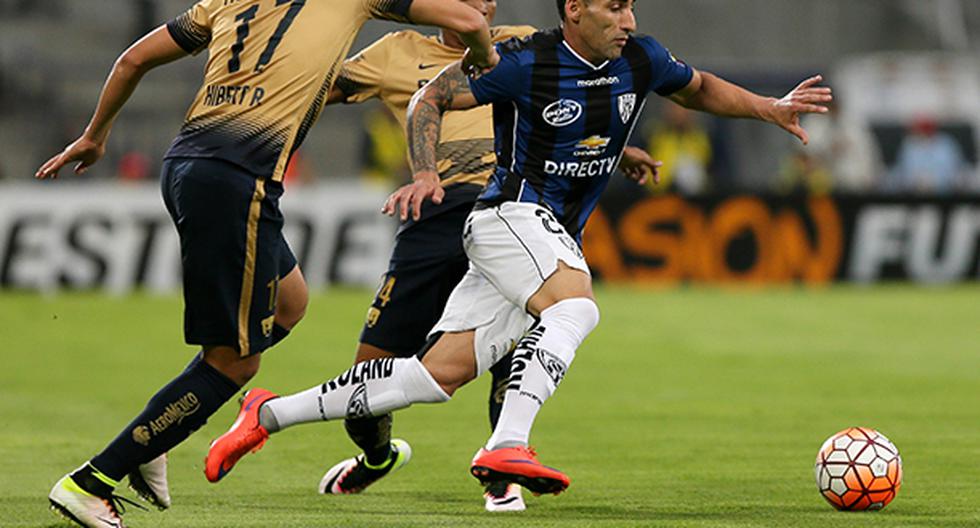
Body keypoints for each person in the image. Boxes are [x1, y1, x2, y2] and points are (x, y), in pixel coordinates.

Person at [206, 0, 830, 500]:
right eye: (616, 8)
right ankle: (507, 445)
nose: (630, 21)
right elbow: (430, 100)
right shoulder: (523, 57)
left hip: (537, 229)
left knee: (433, 376)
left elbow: (697, 89)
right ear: (576, 9)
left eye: (632, 8)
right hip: (508, 214)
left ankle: (268, 414)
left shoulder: (641, 57)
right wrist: (425, 172)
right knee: (576, 308)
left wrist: (768, 108)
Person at [36, 0, 497, 526]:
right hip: (237, 180)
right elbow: (470, 22)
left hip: (186, 163)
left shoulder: (225, 1)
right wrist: (483, 63)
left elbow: (131, 60)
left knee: (291, 302)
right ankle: (90, 482)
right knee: (235, 364)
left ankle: (153, 436)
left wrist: (96, 136)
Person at [317, 2, 535, 511]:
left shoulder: (523, 42)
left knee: (509, 346)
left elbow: (579, 96)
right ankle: (375, 456)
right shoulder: (395, 53)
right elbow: (308, 93)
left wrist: (617, 150)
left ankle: (502, 471)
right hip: (434, 216)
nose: (481, 6)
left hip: (508, 207)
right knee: (364, 388)